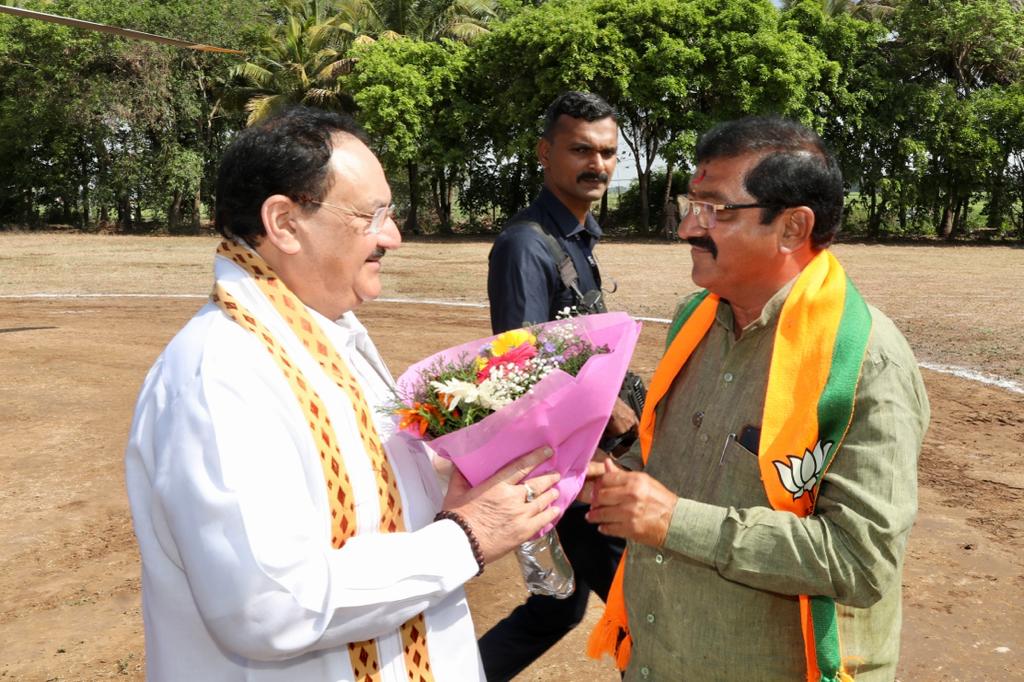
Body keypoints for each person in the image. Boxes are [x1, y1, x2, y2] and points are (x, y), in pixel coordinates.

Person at [123, 106, 563, 682]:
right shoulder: (220, 373)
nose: (393, 238)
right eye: (371, 215)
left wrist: (446, 471)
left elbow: (356, 487)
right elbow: (270, 605)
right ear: (284, 223)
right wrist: (467, 538)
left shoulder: (326, 331)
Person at [584, 116, 929, 681]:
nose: (687, 229)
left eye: (715, 210)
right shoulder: (694, 319)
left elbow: (861, 561)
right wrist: (605, 475)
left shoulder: (865, 362)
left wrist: (675, 521)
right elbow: (665, 463)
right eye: (690, 204)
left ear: (793, 227)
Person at [481, 91, 637, 681]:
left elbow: (571, 343)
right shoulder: (526, 243)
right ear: (545, 153)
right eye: (580, 149)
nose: (597, 163)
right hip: (574, 462)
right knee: (641, 611)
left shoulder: (577, 236)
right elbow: (519, 365)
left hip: (584, 452)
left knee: (555, 608)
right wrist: (602, 418)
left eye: (607, 152)